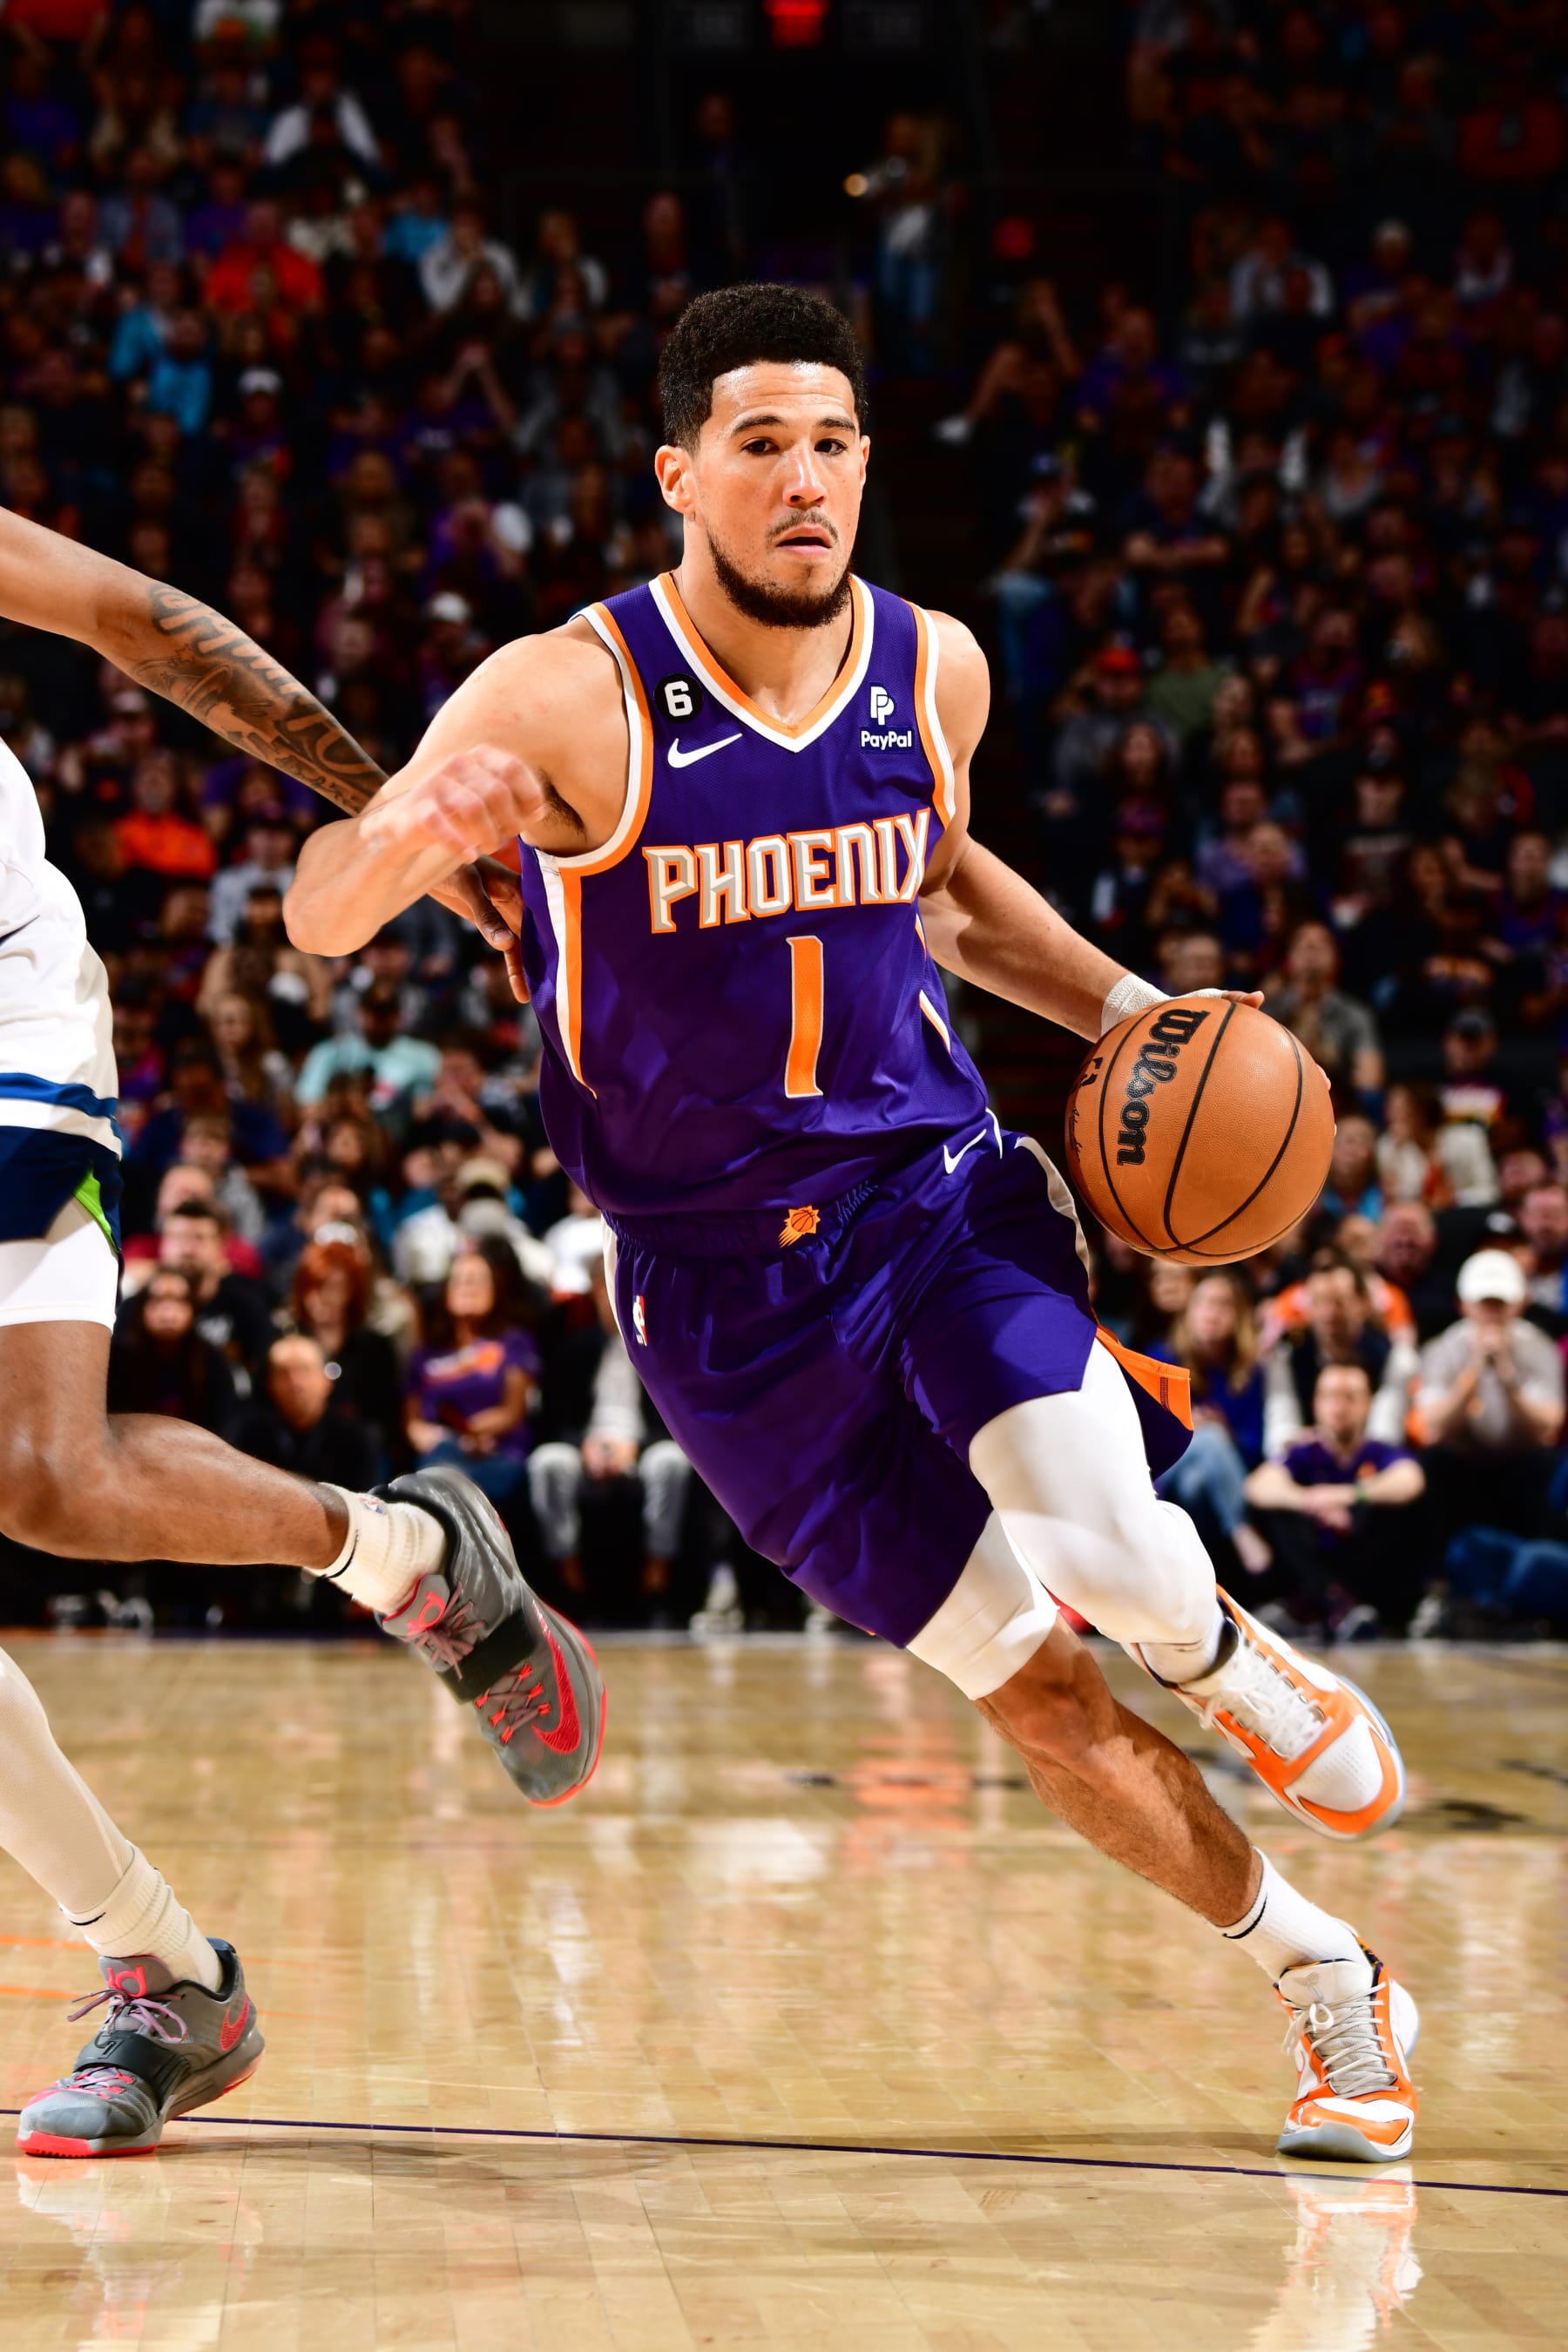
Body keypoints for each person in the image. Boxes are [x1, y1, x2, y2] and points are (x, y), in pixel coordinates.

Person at [287, 284, 1418, 2164]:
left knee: (1111, 1549)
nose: (805, 480)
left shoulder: (936, 666)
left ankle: (1220, 1649)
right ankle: (1328, 1980)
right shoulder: (563, 690)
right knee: (1034, 1693)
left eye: (832, 444)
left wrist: (1137, 1012)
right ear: (679, 476)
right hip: (719, 1307)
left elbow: (948, 895)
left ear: (868, 466)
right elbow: (323, 910)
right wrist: (413, 840)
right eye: (760, 444)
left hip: (934, 1193)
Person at [0, 509, 602, 2160]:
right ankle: (166, 1972)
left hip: (4, 1003)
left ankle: (395, 1549)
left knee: (41, 1480)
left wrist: (394, 818)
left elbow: (149, 619)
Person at [529, 1253, 692, 1611]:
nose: (615, 1296)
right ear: (595, 1295)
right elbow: (554, 1420)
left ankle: (657, 1575)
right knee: (547, 1463)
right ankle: (567, 1575)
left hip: (641, 1446)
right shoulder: (574, 1349)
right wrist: (583, 1446)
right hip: (586, 1446)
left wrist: (634, 1447)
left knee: (671, 1463)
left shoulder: (658, 1346)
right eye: (606, 1288)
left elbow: (677, 1421)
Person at [1244, 1364, 1429, 1638]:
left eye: (1349, 1397)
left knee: (1391, 1504)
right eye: (1329, 1396)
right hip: (1312, 1557)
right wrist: (1309, 1500)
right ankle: (1333, 1599)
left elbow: (1411, 1480)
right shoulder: (1303, 1452)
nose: (1338, 1407)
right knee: (1278, 1508)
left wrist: (1349, 1495)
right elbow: (1257, 1486)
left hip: (1368, 1560)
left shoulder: (1379, 1451)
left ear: (1367, 1404)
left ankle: (1319, 1605)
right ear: (1316, 1403)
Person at [1416, 1249, 1565, 1544]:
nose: (1492, 1313)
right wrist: (1473, 1372)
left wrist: (1509, 1381)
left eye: (1501, 1304)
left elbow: (1549, 1426)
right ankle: (1439, 1578)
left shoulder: (1540, 1347)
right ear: (1463, 1305)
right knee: (1432, 1462)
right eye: (1485, 1304)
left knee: (1546, 1464)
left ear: (1519, 1304)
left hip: (1519, 1464)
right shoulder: (1442, 1348)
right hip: (1464, 1464)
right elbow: (1432, 1426)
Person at [405, 1241, 540, 1514]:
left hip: (498, 1453)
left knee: (447, 1482)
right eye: (460, 1280)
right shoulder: (426, 1353)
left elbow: (514, 1410)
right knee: (439, 1470)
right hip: (440, 1453)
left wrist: (475, 1430)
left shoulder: (513, 1342)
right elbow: (412, 1419)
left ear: (495, 1291)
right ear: (445, 1292)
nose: (469, 1286)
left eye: (478, 1280)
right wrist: (421, 1433)